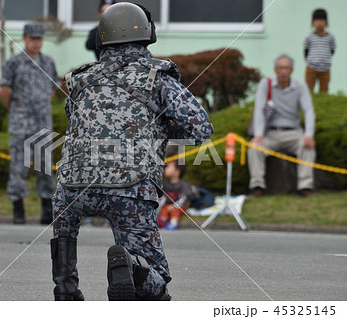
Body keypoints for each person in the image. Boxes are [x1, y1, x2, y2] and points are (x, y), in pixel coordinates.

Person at [50, 2, 213, 301]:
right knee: (157, 281)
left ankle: (65, 287)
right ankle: (135, 270)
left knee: (64, 227)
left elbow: (74, 121)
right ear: (148, 35)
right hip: (130, 188)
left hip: (72, 188)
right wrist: (161, 131)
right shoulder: (156, 77)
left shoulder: (80, 79)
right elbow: (200, 129)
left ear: (103, 39)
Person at [0, 23, 59, 225]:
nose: (36, 42)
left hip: (43, 123)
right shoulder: (14, 63)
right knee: (18, 168)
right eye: (32, 38)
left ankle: (46, 210)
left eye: (39, 39)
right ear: (24, 39)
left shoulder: (48, 62)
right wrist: (15, 110)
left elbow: (52, 89)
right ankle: (18, 210)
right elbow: (4, 89)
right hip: (21, 124)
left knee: (45, 168)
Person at [248, 54, 316, 198]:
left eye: (286, 68)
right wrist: (258, 135)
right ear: (275, 70)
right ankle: (257, 186)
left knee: (307, 147)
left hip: (294, 133)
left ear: (291, 70)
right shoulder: (265, 85)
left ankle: (305, 187)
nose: (283, 71)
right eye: (280, 68)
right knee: (254, 148)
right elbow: (258, 110)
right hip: (270, 134)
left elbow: (309, 110)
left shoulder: (300, 86)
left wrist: (309, 135)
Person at [304, 8, 336, 93]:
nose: (319, 23)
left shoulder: (330, 37)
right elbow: (306, 49)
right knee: (308, 90)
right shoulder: (309, 37)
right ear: (313, 22)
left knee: (324, 91)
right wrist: (310, 60)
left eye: (322, 20)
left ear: (326, 22)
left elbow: (332, 50)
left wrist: (324, 59)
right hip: (311, 68)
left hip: (325, 70)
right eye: (316, 20)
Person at [157, 160, 189, 230]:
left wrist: (174, 206)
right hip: (167, 206)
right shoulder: (165, 184)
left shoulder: (182, 185)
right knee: (164, 209)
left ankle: (173, 223)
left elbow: (183, 198)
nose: (165, 169)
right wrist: (160, 206)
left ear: (177, 172)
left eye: (168, 167)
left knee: (175, 210)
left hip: (179, 206)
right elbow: (163, 197)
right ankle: (163, 221)